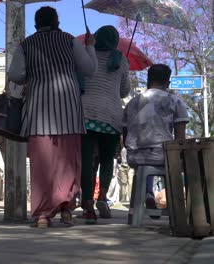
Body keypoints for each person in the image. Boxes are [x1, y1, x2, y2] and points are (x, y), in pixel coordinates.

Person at [9, 6, 98, 228]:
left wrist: (33, 74)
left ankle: (42, 215)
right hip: (68, 108)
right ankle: (66, 209)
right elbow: (89, 70)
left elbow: (15, 75)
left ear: (36, 23)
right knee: (68, 162)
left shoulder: (25, 45)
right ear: (57, 21)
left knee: (41, 166)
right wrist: (90, 47)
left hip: (38, 110)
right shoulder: (69, 40)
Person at [80, 25, 131, 223]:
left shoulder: (87, 54)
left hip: (86, 114)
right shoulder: (122, 60)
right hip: (111, 116)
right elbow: (124, 92)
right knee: (107, 159)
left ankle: (87, 203)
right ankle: (102, 196)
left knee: (86, 161)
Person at [123, 64, 189, 208]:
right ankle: (180, 206)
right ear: (168, 81)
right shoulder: (175, 101)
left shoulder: (132, 102)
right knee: (191, 164)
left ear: (148, 79)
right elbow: (180, 139)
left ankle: (147, 194)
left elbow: (125, 134)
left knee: (144, 164)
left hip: (134, 156)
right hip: (162, 155)